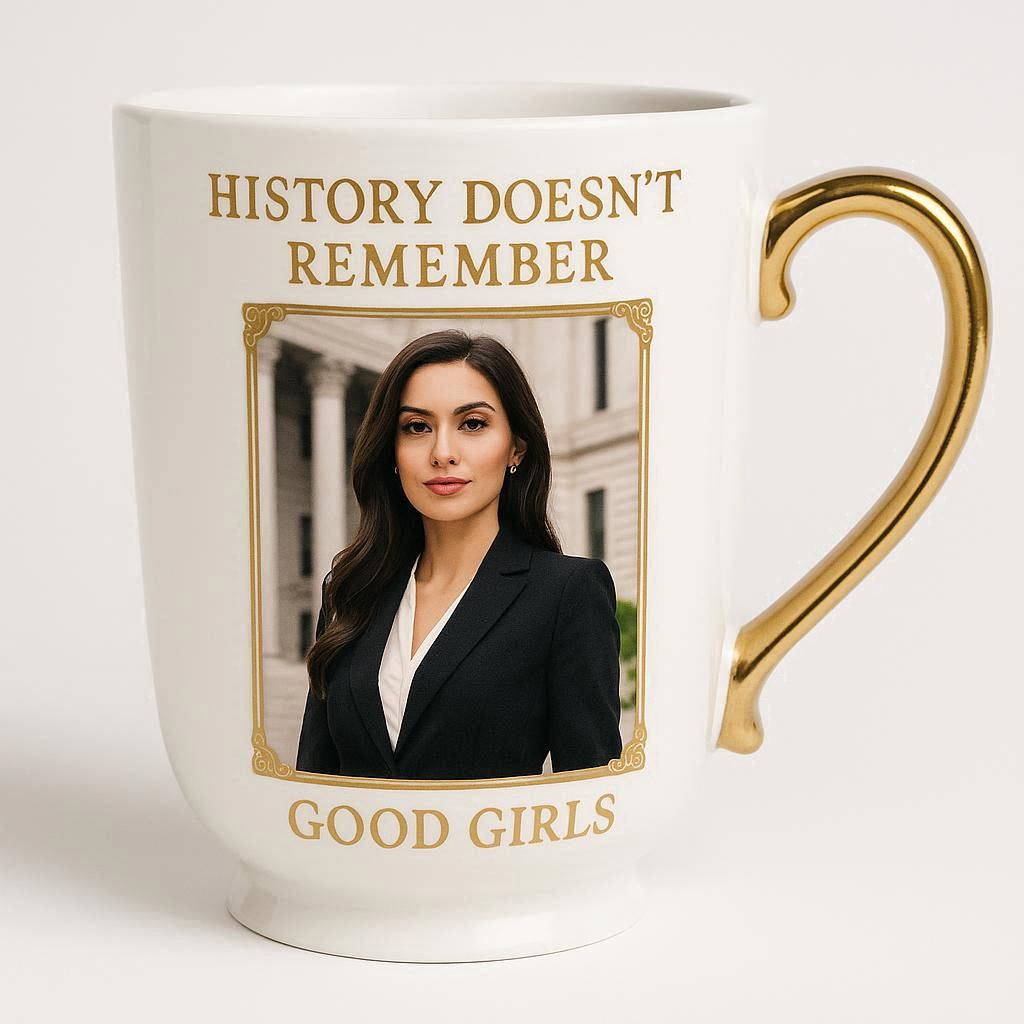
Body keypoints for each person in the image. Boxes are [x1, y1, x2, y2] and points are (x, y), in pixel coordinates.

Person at [296, 329, 622, 781]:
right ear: (392, 453)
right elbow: (313, 783)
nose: (442, 453)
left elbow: (588, 792)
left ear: (516, 448)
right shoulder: (350, 590)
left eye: (472, 424)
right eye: (417, 427)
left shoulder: (567, 592)